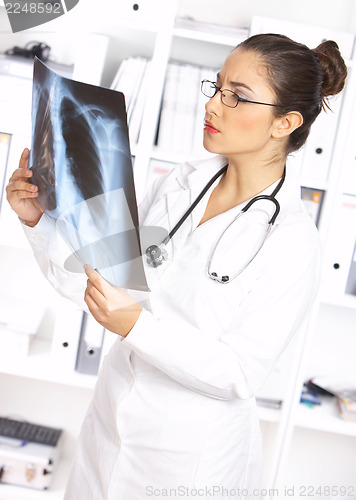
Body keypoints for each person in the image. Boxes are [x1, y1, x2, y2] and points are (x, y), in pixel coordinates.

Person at [6, 33, 347, 499]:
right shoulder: (181, 184)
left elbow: (239, 374)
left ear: (284, 122)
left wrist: (136, 326)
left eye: (237, 96)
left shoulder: (292, 242)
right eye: (217, 87)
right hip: (108, 429)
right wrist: (37, 221)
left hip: (188, 460)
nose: (213, 106)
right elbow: (99, 280)